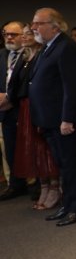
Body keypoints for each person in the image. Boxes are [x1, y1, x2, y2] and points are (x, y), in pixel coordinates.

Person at [28, 8, 76, 226]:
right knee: (63, 166)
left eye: (38, 23)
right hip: (50, 119)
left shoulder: (66, 47)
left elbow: (71, 87)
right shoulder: (47, 47)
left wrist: (67, 119)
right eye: (33, 23)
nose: (33, 27)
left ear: (54, 26)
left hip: (62, 120)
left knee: (70, 165)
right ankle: (68, 205)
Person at [4, 25, 60, 209]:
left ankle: (54, 188)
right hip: (25, 108)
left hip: (40, 106)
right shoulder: (24, 57)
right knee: (34, 150)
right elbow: (15, 85)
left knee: (45, 150)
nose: (25, 37)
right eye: (24, 34)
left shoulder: (43, 55)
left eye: (29, 33)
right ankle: (43, 187)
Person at [0, 21, 29, 201]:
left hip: (22, 107)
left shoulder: (29, 54)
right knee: (10, 149)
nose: (9, 38)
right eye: (6, 34)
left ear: (22, 36)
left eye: (13, 34)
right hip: (4, 110)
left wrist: (11, 99)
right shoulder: (2, 54)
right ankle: (16, 185)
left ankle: (37, 184)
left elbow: (27, 83)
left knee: (29, 147)